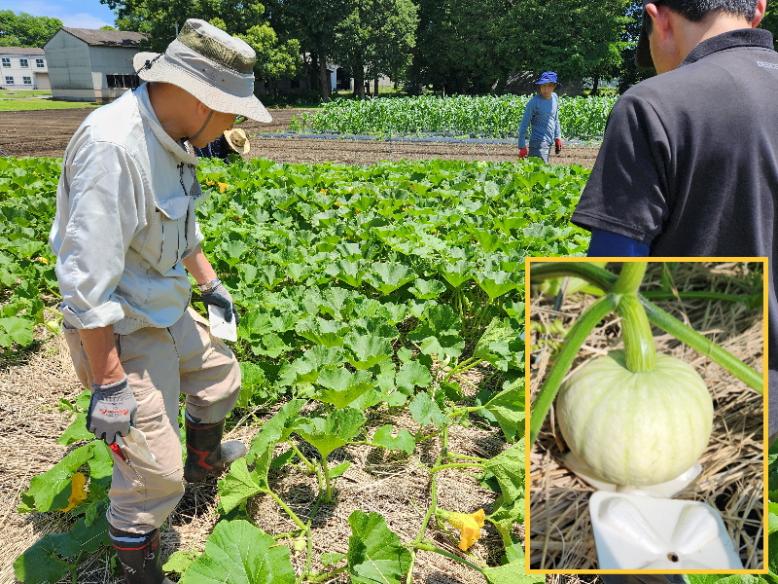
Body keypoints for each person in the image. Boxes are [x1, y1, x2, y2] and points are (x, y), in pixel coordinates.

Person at [49, 19, 272, 584]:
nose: (235, 124)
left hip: (165, 302)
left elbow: (182, 229)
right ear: (199, 98)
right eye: (233, 110)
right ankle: (137, 567)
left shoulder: (175, 137)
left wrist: (211, 285)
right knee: (153, 477)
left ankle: (202, 470)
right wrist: (109, 382)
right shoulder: (112, 149)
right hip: (120, 329)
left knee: (221, 379)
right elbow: (86, 287)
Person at [570, 0, 777, 444]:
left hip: (705, 404)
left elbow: (615, 276)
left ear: (657, 17)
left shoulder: (654, 104)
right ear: (758, 9)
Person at [518, 71, 564, 163]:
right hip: (537, 143)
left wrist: (558, 137)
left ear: (554, 86)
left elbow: (555, 119)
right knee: (541, 172)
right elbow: (524, 125)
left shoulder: (554, 98)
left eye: (548, 86)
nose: (545, 89)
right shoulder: (534, 103)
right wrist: (522, 146)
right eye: (543, 86)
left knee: (540, 173)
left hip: (549, 143)